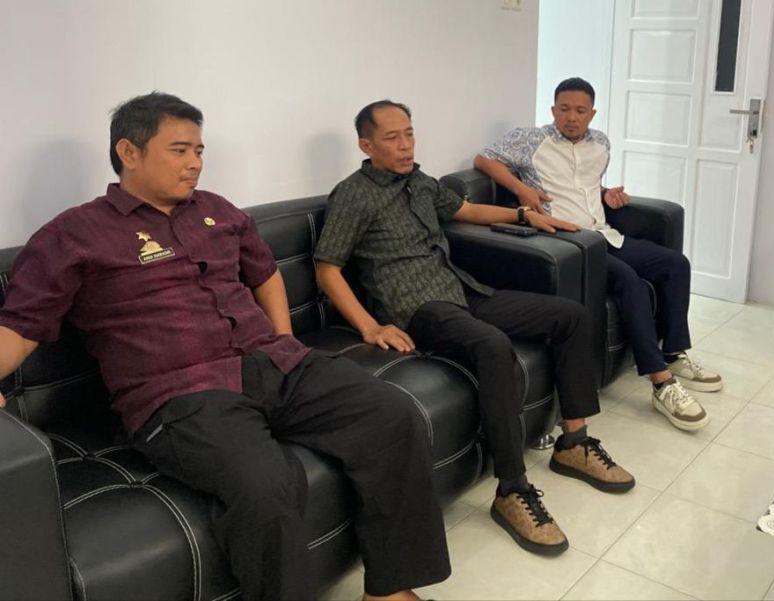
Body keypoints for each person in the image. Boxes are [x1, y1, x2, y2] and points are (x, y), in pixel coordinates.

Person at [0, 92, 450, 601]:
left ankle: (389, 591)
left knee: (392, 414)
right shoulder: (74, 234)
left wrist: (284, 339)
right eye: (179, 150)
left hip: (272, 363)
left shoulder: (217, 211)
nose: (195, 162)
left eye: (199, 150)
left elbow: (265, 275)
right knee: (267, 483)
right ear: (129, 152)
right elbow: (21, 325)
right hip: (180, 394)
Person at [314, 99, 636, 557]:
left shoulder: (421, 183)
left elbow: (465, 210)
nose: (405, 145)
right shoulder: (352, 194)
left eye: (409, 133)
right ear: (366, 145)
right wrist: (369, 327)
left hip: (463, 292)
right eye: (392, 138)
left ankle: (574, 442)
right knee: (492, 345)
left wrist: (522, 215)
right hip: (417, 309)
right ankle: (512, 489)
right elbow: (327, 267)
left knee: (571, 316)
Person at [473, 76, 722, 433]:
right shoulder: (529, 139)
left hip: (605, 234)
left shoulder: (601, 143)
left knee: (674, 264)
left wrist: (606, 195)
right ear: (553, 110)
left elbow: (583, 184)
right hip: (569, 244)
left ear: (592, 114)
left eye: (580, 111)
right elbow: (484, 159)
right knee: (629, 281)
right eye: (564, 109)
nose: (571, 117)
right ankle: (661, 382)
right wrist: (521, 188)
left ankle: (673, 352)